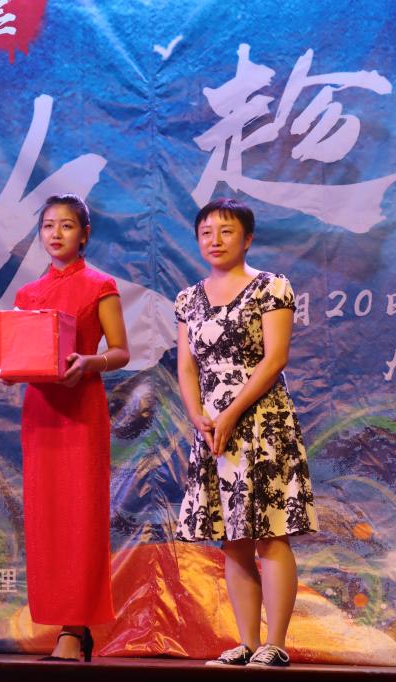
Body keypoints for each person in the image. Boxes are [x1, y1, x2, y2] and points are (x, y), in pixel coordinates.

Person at [175, 198, 317, 668]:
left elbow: (275, 359)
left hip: (262, 422)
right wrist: (198, 416)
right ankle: (248, 642)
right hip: (214, 430)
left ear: (248, 238)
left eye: (226, 231)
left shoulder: (271, 287)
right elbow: (187, 367)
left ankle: (275, 642)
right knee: (232, 539)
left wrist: (232, 411)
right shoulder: (188, 299)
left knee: (270, 532)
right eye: (206, 233)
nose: (215, 240)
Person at [10, 194, 129, 662]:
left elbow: (120, 351)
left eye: (66, 225)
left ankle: (74, 629)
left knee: (80, 517)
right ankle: (63, 622)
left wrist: (91, 362)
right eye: (47, 225)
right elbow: (20, 352)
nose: (55, 233)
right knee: (47, 518)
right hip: (41, 412)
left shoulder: (100, 285)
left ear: (84, 234)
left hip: (82, 410)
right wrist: (11, 367)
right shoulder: (27, 294)